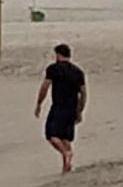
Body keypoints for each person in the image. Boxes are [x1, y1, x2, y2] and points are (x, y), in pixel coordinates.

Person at [35, 43, 86, 174]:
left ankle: (66, 153)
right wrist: (80, 110)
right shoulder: (78, 71)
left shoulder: (53, 69)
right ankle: (66, 166)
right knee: (65, 137)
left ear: (58, 54)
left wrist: (39, 103)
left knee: (51, 134)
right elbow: (83, 93)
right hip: (72, 107)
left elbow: (45, 87)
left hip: (59, 106)